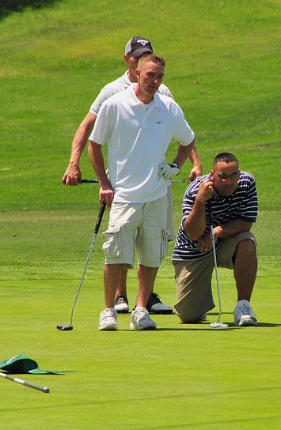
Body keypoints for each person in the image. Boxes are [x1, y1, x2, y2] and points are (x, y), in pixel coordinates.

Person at [62, 36, 202, 315]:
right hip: (123, 185)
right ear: (130, 61)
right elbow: (89, 131)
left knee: (151, 246)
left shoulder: (165, 94)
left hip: (155, 185)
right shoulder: (112, 94)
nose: (152, 74)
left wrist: (187, 164)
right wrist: (74, 164)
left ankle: (143, 302)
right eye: (139, 57)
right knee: (119, 246)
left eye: (148, 55)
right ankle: (118, 298)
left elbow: (181, 132)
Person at [89, 54, 196, 330]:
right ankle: (108, 310)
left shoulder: (169, 108)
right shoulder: (114, 105)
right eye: (150, 75)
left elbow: (188, 140)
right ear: (137, 72)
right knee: (115, 256)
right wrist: (104, 183)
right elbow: (95, 144)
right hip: (124, 195)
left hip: (156, 196)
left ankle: (140, 310)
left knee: (150, 257)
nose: (155, 81)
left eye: (160, 76)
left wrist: (174, 166)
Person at [172, 153, 259, 326]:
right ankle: (200, 306)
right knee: (189, 317)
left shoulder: (247, 182)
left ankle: (243, 306)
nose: (229, 181)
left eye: (233, 175)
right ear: (212, 174)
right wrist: (200, 201)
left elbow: (246, 223)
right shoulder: (196, 189)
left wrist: (217, 232)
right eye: (223, 176)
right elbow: (193, 234)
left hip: (224, 242)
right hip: (194, 249)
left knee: (247, 241)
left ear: (239, 173)